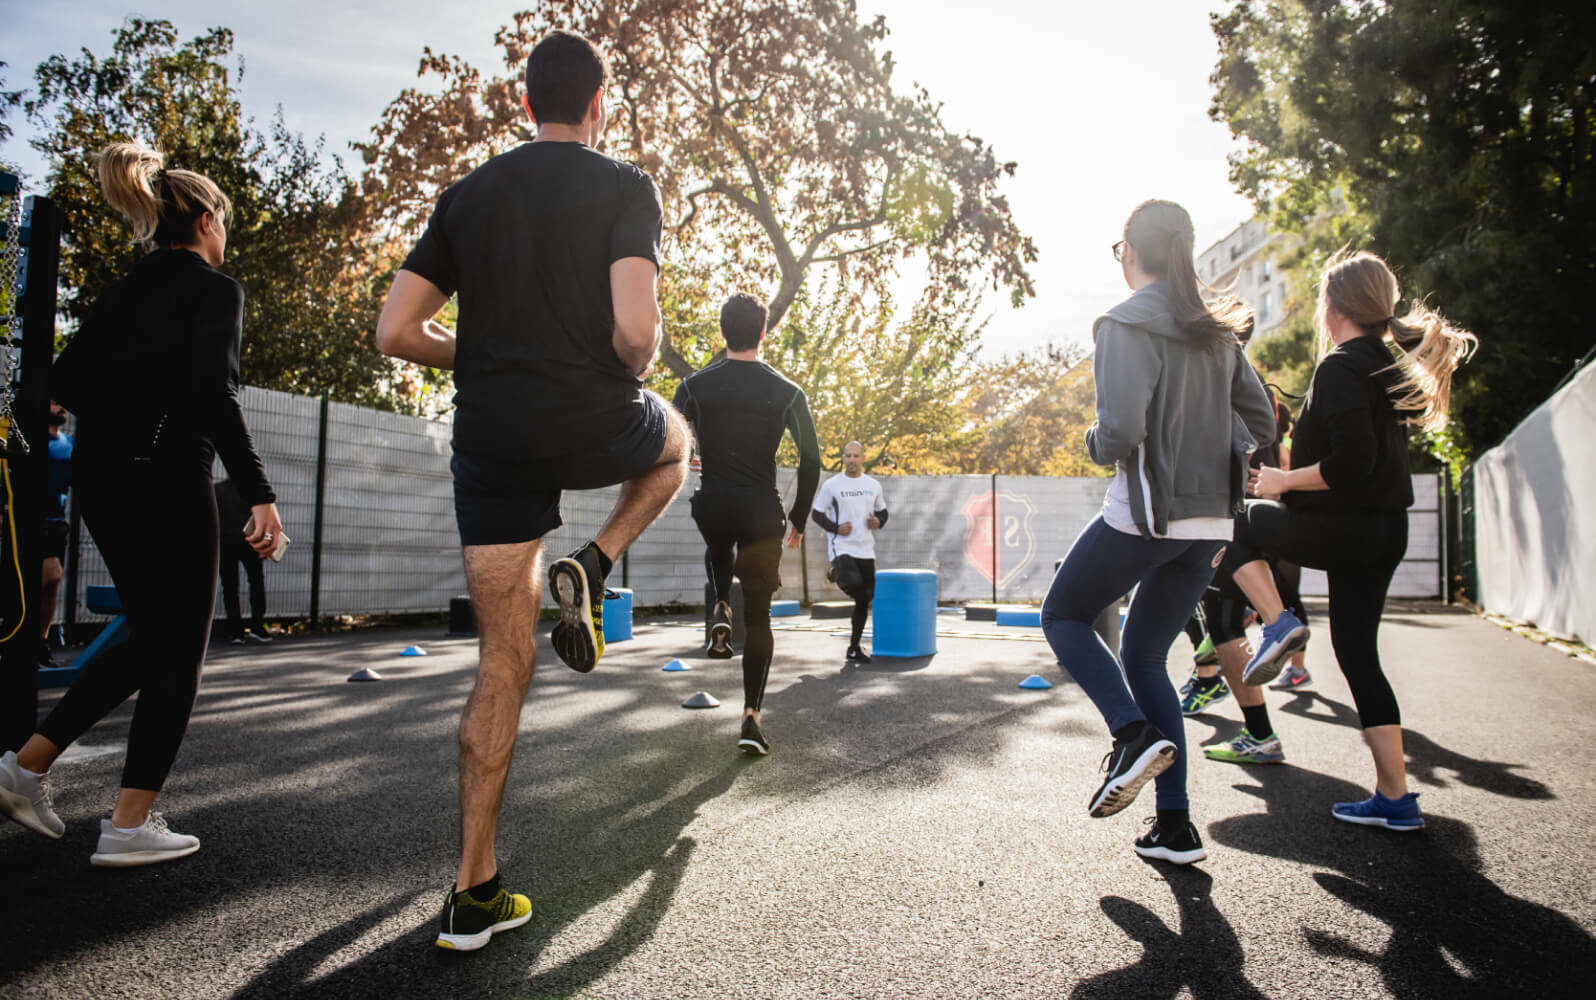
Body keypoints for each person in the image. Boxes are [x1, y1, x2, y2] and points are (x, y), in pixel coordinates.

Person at [375, 30, 689, 952]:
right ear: (599, 107)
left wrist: (475, 354)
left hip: (494, 441)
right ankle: (596, 558)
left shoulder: (467, 197)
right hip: (595, 421)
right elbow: (637, 332)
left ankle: (474, 891)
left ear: (525, 106)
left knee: (500, 665)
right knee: (675, 444)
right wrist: (634, 360)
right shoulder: (626, 185)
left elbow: (396, 330)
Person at [0, 142, 283, 866]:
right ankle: (128, 824)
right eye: (226, 220)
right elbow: (214, 396)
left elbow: (62, 382)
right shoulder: (215, 290)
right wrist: (260, 495)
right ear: (206, 219)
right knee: (178, 649)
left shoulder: (127, 290)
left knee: (149, 636)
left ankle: (24, 767)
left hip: (104, 479)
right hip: (166, 479)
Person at [1039, 199, 1276, 865]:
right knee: (1145, 656)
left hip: (1147, 513)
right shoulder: (1219, 333)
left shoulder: (1121, 323)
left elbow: (1119, 434)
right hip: (1210, 524)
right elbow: (1261, 423)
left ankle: (1130, 732)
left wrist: (1090, 439)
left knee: (1062, 614)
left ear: (1131, 253)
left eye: (1119, 251)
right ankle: (1175, 827)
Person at [1223, 250, 1476, 831]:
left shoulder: (1339, 366)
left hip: (1345, 526)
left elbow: (1353, 463)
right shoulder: (1385, 364)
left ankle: (1278, 622)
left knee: (1231, 525)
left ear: (1332, 306)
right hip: (1384, 530)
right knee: (1359, 654)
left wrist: (1285, 480)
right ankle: (1395, 797)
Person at [673, 293, 821, 755]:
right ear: (763, 332)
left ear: (722, 331)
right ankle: (751, 719)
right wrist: (798, 518)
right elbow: (812, 461)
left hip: (714, 503)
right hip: (761, 512)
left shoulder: (695, 385)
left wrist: (691, 456)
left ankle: (719, 605)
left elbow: (671, 439)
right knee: (759, 618)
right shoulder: (788, 391)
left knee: (718, 543)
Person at [811, 441, 888, 663]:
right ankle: (837, 570)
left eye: (856, 456)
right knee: (855, 587)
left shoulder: (873, 485)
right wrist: (836, 528)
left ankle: (853, 648)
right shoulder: (832, 485)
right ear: (843, 459)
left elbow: (883, 513)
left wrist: (878, 522)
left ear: (863, 458)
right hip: (841, 547)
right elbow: (817, 514)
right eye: (848, 456)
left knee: (866, 598)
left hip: (866, 549)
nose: (852, 460)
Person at [215, 477, 270, 645]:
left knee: (230, 588)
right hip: (250, 543)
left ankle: (236, 631)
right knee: (256, 583)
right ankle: (257, 626)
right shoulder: (253, 489)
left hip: (225, 543)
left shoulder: (217, 490)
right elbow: (263, 519)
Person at [38, 401, 73, 667]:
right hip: (28, 522)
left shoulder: (68, 444)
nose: (61, 407)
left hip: (56, 522)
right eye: (54, 402)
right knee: (50, 575)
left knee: (51, 585)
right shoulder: (26, 441)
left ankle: (40, 641)